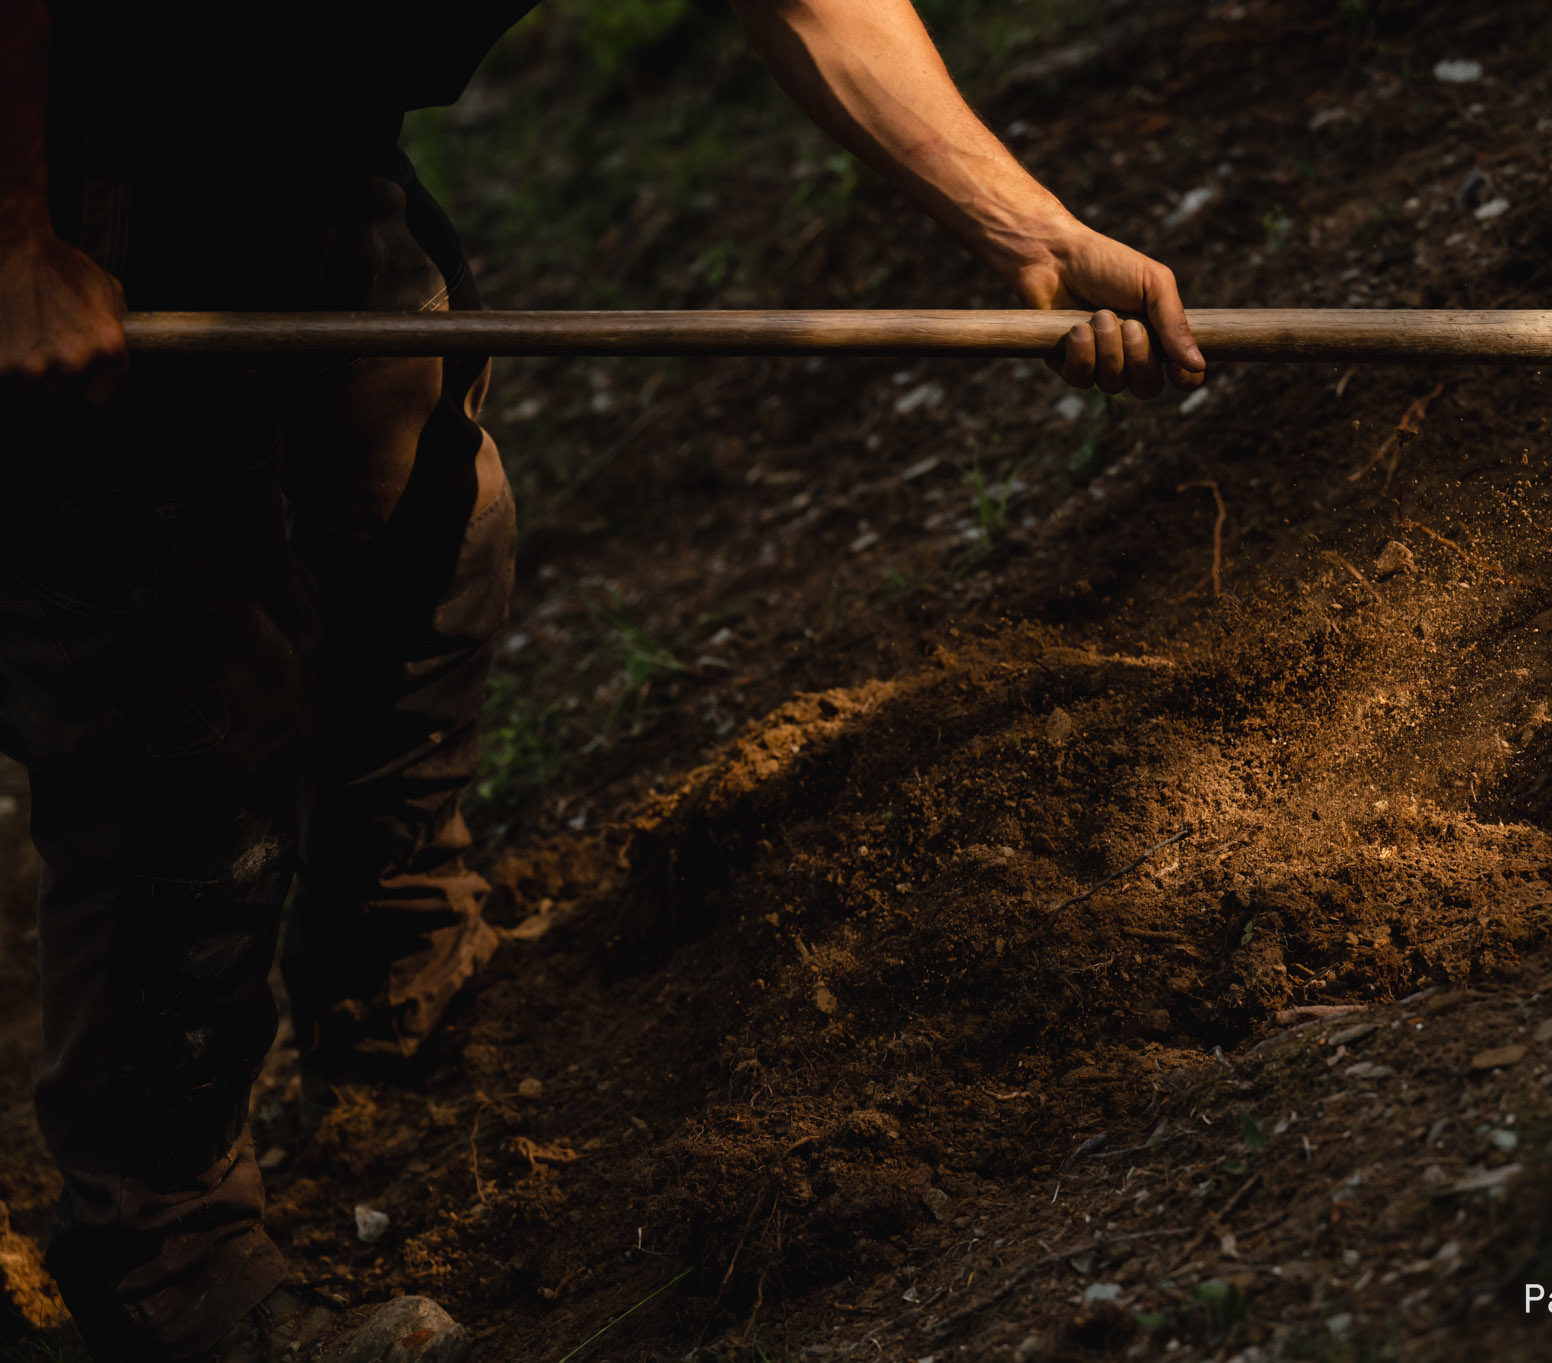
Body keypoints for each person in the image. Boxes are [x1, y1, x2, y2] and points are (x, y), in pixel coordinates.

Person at [0, 0, 1205, 1357]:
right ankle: (163, 1263)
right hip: (61, 128)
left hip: (285, 132)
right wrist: (18, 243)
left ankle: (398, 997)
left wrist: (1028, 227)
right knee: (184, 692)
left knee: (427, 514)